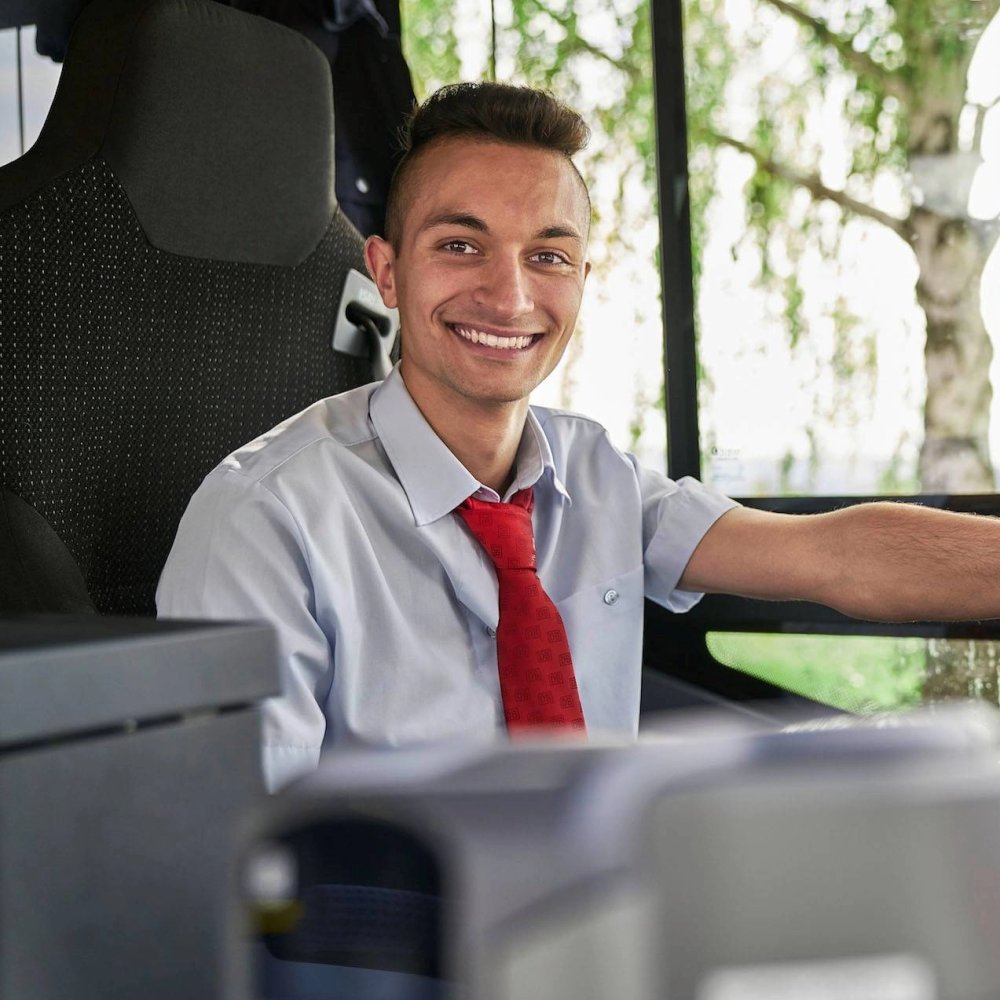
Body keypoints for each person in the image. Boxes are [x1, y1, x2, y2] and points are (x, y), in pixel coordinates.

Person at [158, 81, 1000, 792]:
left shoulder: (595, 474)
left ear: (584, 279)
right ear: (387, 270)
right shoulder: (264, 521)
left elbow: (837, 554)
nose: (510, 297)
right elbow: (245, 861)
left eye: (550, 257)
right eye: (461, 245)